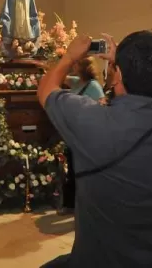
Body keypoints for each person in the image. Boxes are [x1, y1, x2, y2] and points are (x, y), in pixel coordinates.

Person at [38, 31, 152, 267]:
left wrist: (69, 57)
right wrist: (124, 65)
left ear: (118, 73)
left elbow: (46, 89)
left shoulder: (92, 121)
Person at [59, 57, 104, 215]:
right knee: (71, 169)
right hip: (74, 134)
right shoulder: (77, 82)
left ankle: (86, 205)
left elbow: (101, 111)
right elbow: (60, 77)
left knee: (83, 172)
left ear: (84, 67)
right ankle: (70, 204)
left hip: (87, 135)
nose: (74, 65)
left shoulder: (94, 86)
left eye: (76, 63)